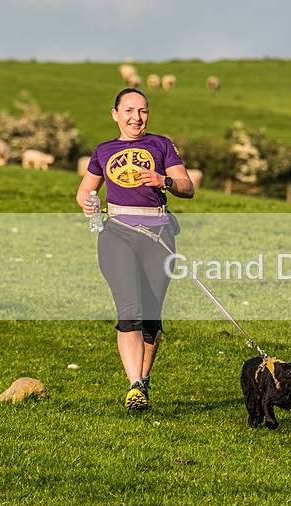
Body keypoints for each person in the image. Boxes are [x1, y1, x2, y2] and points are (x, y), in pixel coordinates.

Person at [76, 88, 195, 410]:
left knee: (151, 317)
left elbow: (187, 187)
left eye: (142, 111)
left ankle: (143, 383)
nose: (136, 117)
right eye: (129, 110)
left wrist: (163, 180)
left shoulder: (162, 145)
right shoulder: (103, 150)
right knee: (130, 310)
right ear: (115, 114)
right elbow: (86, 190)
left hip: (158, 236)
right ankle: (134, 385)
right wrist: (89, 204)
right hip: (118, 233)